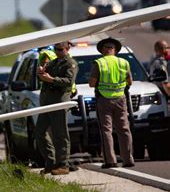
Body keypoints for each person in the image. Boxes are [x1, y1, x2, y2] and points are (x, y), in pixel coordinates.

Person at [88, 37, 134, 168]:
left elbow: (92, 83)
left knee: (106, 130)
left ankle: (110, 160)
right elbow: (130, 82)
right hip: (120, 98)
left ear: (102, 50)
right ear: (115, 50)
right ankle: (128, 159)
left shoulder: (99, 63)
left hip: (103, 99)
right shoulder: (124, 62)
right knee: (124, 129)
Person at [35, 41, 78, 175]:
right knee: (40, 132)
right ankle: (51, 162)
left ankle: (63, 165)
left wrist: (51, 79)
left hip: (59, 100)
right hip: (47, 101)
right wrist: (41, 72)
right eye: (56, 50)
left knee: (60, 134)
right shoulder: (53, 62)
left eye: (60, 50)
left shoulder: (70, 63)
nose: (57, 52)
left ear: (67, 49)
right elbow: (43, 75)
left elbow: (68, 81)